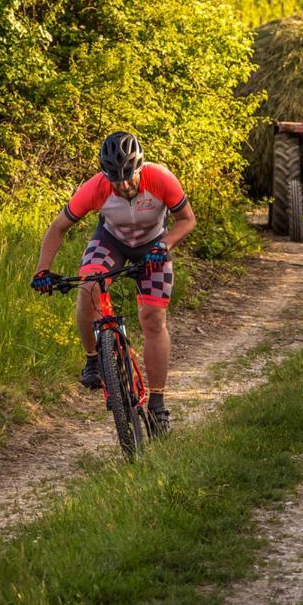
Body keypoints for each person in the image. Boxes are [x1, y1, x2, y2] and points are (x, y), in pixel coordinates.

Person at [31, 131, 196, 434]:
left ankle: (158, 404)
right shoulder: (95, 188)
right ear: (105, 174)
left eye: (129, 177)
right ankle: (93, 359)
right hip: (111, 243)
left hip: (154, 247)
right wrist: (43, 270)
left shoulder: (161, 179)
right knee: (88, 285)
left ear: (140, 168)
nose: (123, 185)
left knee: (153, 318)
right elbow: (58, 228)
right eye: (115, 179)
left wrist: (164, 246)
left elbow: (187, 219)